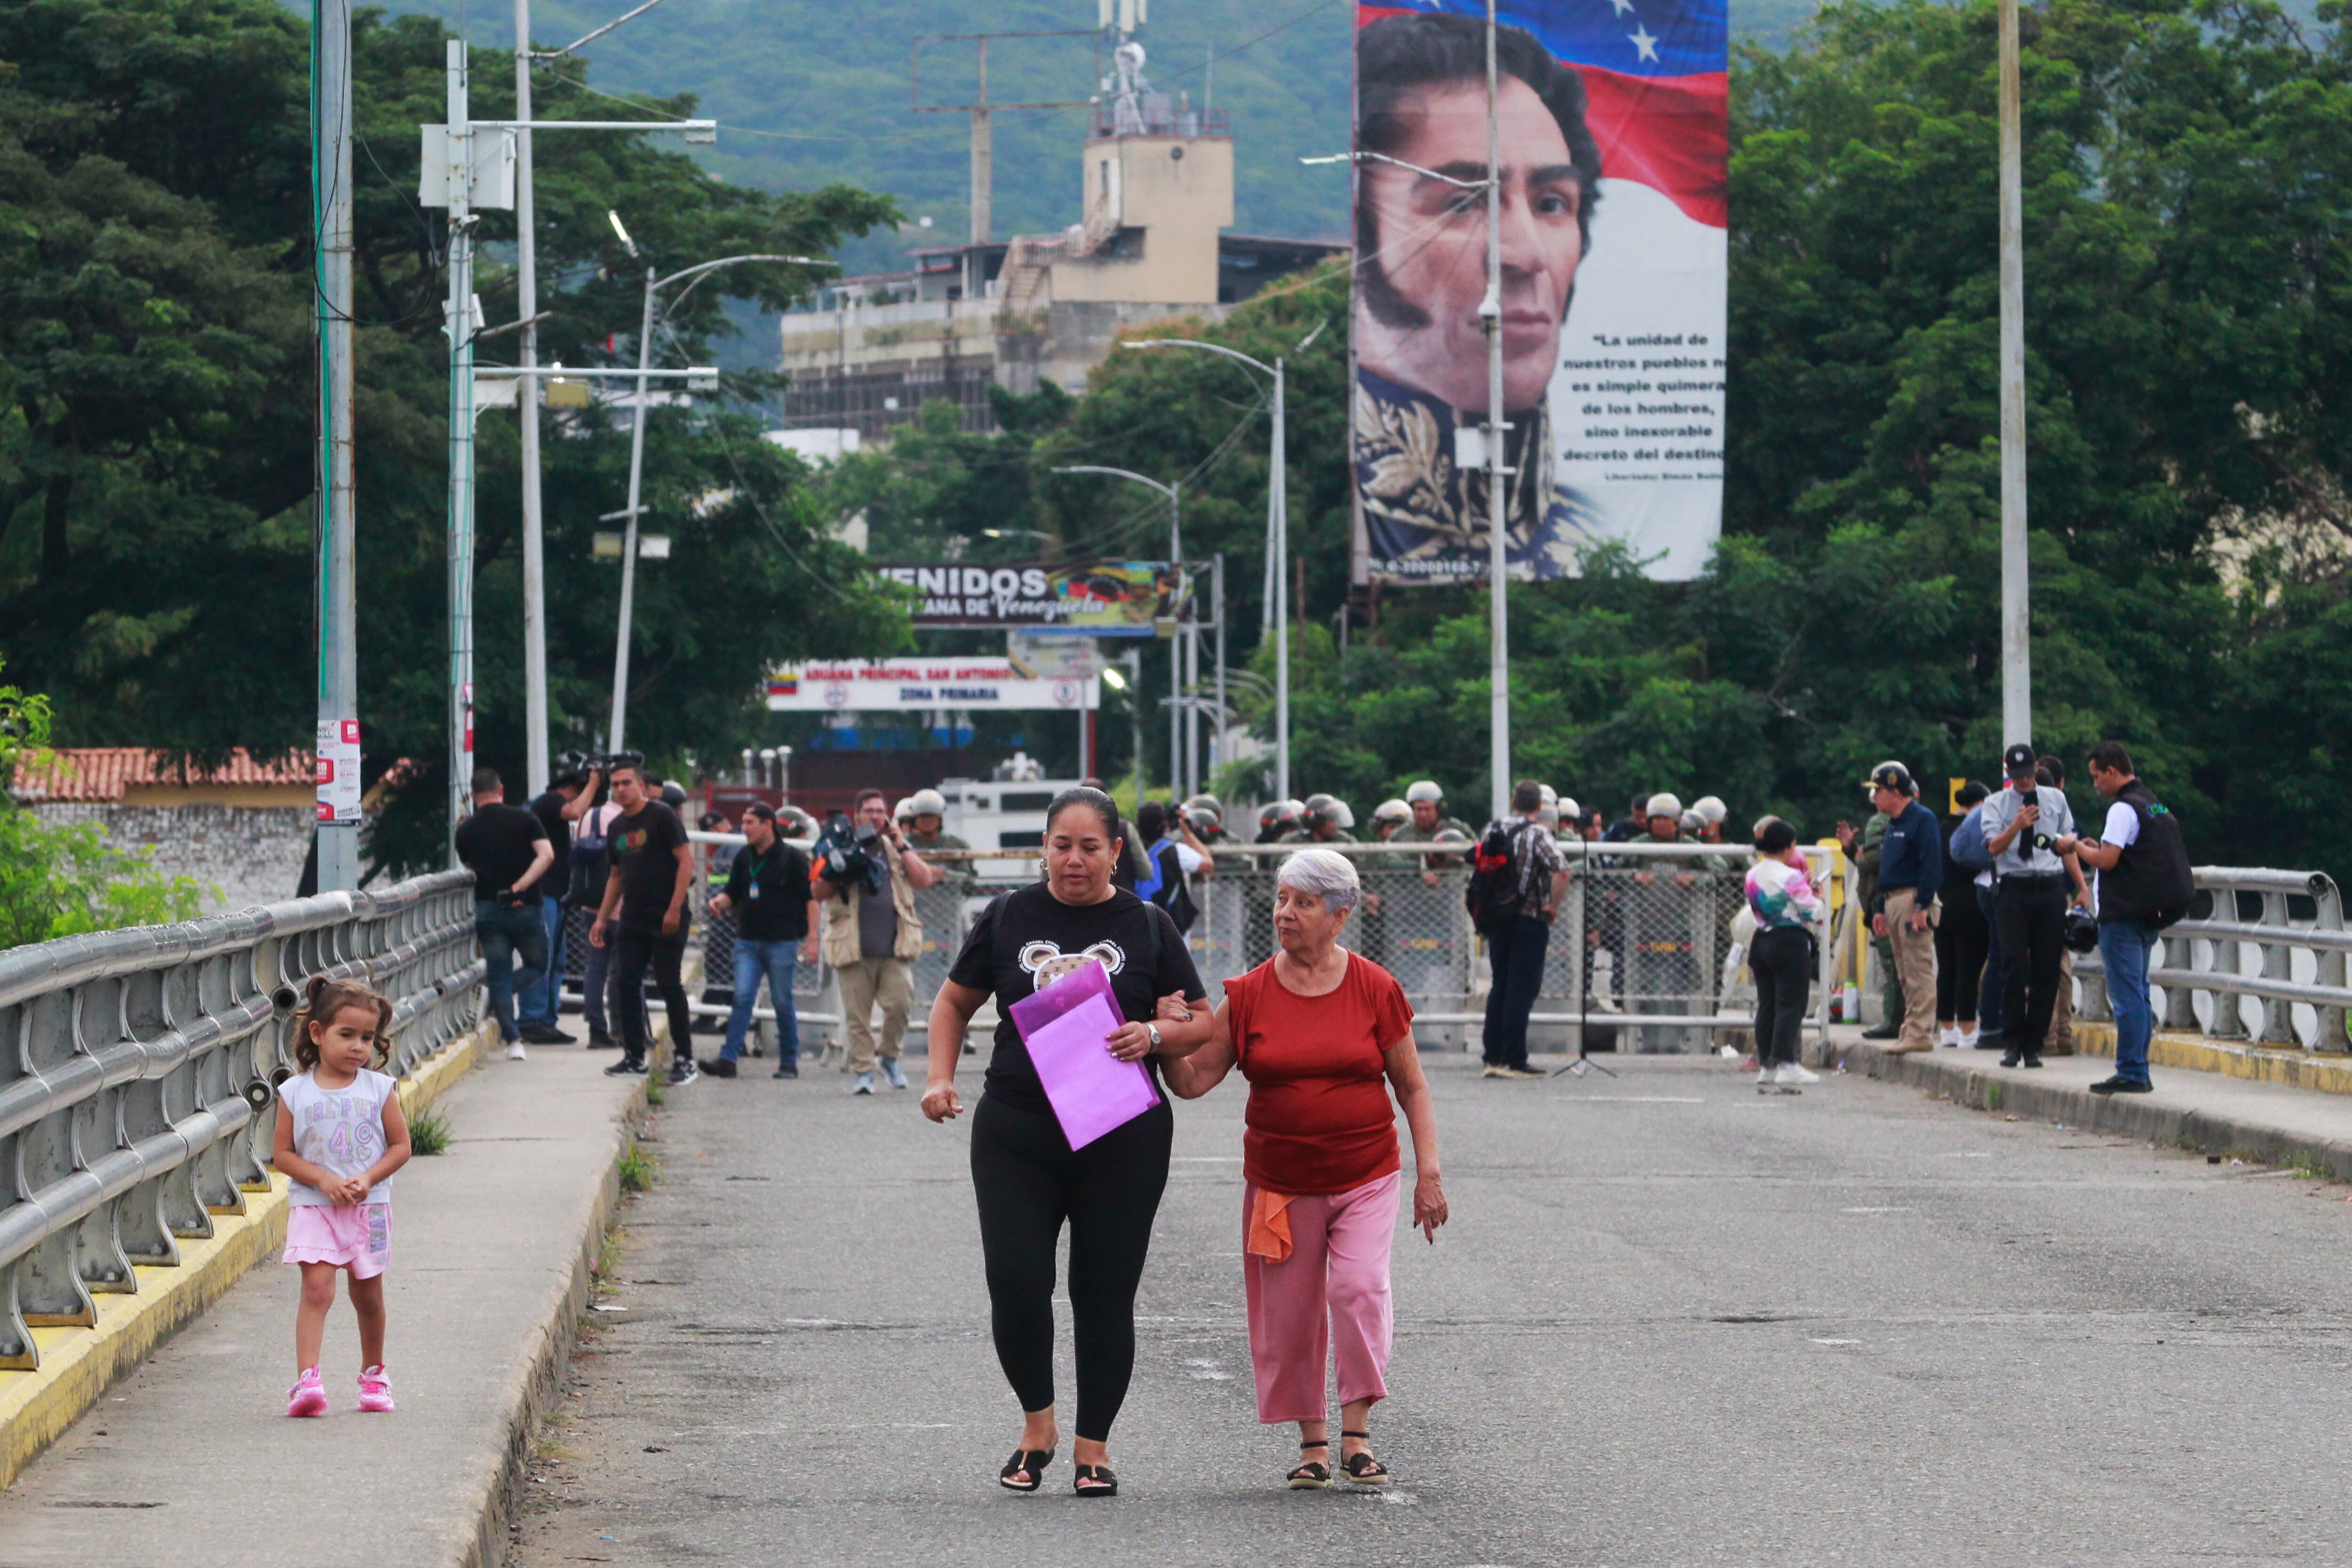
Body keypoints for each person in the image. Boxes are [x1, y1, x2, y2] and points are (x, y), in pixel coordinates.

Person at [922, 788, 1215, 1499]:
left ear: (1116, 851)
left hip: (1122, 1133)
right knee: (1017, 1282)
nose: (1074, 860)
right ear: (1044, 846)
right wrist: (938, 1077)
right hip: (1017, 1129)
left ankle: (1093, 1447)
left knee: (1103, 1292)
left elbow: (1201, 1020)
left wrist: (1155, 1033)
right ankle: (1037, 1425)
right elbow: (954, 1000)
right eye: (1062, 844)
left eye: (1090, 846)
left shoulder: (1147, 923)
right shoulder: (1009, 915)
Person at [1160, 849, 1447, 1489]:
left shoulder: (1376, 986)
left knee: (1357, 1289)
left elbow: (1413, 1087)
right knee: (1289, 1316)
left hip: (1367, 1172)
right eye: (1283, 900)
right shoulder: (1251, 991)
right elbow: (1195, 1079)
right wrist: (1164, 1038)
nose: (1286, 914)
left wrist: (1428, 1174)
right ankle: (1313, 1445)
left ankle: (1357, 1434)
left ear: (1340, 916)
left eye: (1304, 903)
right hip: (1280, 1181)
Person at [1352, 9, 1605, 578]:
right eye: (1464, 203)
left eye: (1550, 204)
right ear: (1360, 229)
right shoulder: (1324, 504)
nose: (1525, 254)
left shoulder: (1608, 537)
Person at [275, 976, 411, 1418]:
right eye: (346, 1034)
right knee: (317, 1289)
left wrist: (369, 1178)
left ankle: (374, 1374)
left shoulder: (378, 1088)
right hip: (315, 1206)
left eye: (367, 1038)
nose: (358, 1047)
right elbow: (282, 1154)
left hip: (367, 1208)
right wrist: (321, 1179)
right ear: (317, 1033)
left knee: (367, 1293)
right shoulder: (295, 1092)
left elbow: (401, 1146)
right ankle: (307, 1380)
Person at [2058, 742, 2193, 1095]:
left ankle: (2132, 1071)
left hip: (2123, 918)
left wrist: (2073, 846)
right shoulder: (2153, 802)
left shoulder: (2121, 808)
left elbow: (2106, 860)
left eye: (2097, 776)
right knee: (2140, 993)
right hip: (2150, 914)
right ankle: (2138, 1068)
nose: (2095, 784)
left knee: (2127, 996)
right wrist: (2093, 845)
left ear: (2113, 771)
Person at [817, 788, 939, 1096]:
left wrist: (902, 843)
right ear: (856, 815)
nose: (875, 817)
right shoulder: (840, 843)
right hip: (852, 946)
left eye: (880, 811)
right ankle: (863, 1072)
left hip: (895, 946)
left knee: (900, 1005)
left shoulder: (894, 846)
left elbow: (924, 879)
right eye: (869, 811)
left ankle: (888, 1057)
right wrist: (838, 866)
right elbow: (818, 891)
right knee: (857, 1016)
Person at [589, 761, 699, 1085]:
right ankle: (634, 1055)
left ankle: (684, 1057)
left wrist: (675, 909)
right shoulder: (617, 827)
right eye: (616, 784)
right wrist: (601, 917)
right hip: (632, 917)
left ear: (640, 784)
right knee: (626, 981)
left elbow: (686, 861)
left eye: (626, 783)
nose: (621, 789)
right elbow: (616, 876)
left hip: (666, 914)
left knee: (668, 983)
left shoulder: (662, 816)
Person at [1980, 743, 2081, 1071]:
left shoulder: (2055, 799)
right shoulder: (1996, 804)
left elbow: (2067, 844)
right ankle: (2012, 1041)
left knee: (2047, 967)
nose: (2024, 782)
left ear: (2036, 768)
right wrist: (2017, 825)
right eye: (2017, 776)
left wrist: (2081, 885)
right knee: (2012, 966)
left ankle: (2034, 1043)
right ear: (2008, 772)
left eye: (2028, 775)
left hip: (2049, 886)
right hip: (2014, 888)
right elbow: (1993, 847)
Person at [702, 802, 817, 1081]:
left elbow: (811, 900)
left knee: (781, 1000)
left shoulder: (793, 858)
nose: (745, 828)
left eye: (751, 822)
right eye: (743, 821)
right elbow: (733, 891)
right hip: (748, 942)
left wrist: (813, 939)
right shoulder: (744, 857)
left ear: (768, 825)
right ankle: (728, 1059)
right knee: (742, 997)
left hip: (782, 942)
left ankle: (789, 1061)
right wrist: (721, 901)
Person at [452, 767, 554, 1062]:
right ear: (502, 790)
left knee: (498, 974)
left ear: (473, 796)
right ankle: (502, 995)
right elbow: (547, 855)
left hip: (488, 909)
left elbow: (468, 864)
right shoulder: (526, 819)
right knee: (538, 964)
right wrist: (520, 887)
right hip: (526, 908)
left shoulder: (467, 829)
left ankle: (513, 1041)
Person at [1478, 779, 1569, 1079]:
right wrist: (1552, 906)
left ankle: (1492, 1055)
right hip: (1530, 918)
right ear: (1539, 806)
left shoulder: (1493, 829)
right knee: (1522, 989)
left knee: (1500, 985)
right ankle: (1515, 1058)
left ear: (1515, 802)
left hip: (1496, 919)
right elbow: (1562, 869)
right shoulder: (1538, 833)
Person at [519, 760, 599, 1044]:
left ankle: (546, 1020)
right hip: (543, 897)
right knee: (543, 957)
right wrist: (594, 782)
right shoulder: (551, 801)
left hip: (556, 897)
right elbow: (576, 810)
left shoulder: (550, 811)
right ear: (572, 788)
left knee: (557, 961)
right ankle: (531, 1018)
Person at [1866, 762, 1943, 1054]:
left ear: (1895, 791)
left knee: (1918, 969)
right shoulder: (1894, 823)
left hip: (1913, 900)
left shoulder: (1921, 820)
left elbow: (1931, 865)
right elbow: (1888, 869)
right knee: (1903, 971)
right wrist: (1880, 909)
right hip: (1894, 900)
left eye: (1878, 791)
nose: (1875, 798)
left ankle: (1921, 1032)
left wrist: (1922, 904)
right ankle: (1910, 1029)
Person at [1744, 816, 1825, 1092]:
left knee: (1767, 1005)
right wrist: (1820, 897)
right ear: (1789, 847)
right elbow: (1813, 912)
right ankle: (1788, 1065)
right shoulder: (1789, 876)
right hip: (1789, 941)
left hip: (1762, 939)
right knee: (1791, 1004)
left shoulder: (1752, 875)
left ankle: (1767, 1066)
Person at [2034, 755, 2092, 1057]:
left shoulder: (2032, 814)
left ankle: (2045, 1036)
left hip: (2039, 894)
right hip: (2061, 896)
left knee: (2039, 969)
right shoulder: (2065, 814)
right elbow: (2071, 848)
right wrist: (2082, 887)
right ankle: (2062, 1034)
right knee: (2060, 968)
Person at [1936, 781, 1994, 1048]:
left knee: (1946, 968)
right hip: (1972, 906)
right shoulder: (1978, 826)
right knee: (1968, 970)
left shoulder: (1941, 827)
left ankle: (1946, 1026)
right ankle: (1968, 1029)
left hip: (1942, 905)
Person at [1132, 800, 1214, 933]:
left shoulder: (1132, 850)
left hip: (1140, 923)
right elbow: (1208, 864)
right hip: (1172, 925)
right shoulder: (1174, 850)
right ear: (1166, 826)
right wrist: (1188, 833)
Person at [905, 786, 977, 891]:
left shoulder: (956, 846)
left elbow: (967, 878)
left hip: (949, 900)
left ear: (940, 819)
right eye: (923, 816)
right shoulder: (905, 844)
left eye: (932, 816)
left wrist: (943, 875)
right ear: (915, 819)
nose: (927, 821)